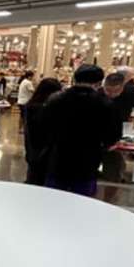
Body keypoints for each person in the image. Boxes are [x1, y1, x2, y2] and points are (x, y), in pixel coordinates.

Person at [41, 64, 121, 196]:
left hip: (58, 159)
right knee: (82, 204)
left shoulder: (56, 99)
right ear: (98, 83)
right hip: (86, 163)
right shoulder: (105, 104)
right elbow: (113, 135)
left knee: (52, 201)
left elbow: (43, 125)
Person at [99, 72, 134, 185]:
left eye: (117, 91)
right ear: (104, 86)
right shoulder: (98, 93)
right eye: (108, 91)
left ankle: (115, 182)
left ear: (123, 86)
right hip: (101, 132)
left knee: (114, 161)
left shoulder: (131, 92)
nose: (112, 94)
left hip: (119, 131)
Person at [23, 78, 62, 185]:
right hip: (43, 151)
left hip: (33, 150)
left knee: (33, 176)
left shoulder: (31, 106)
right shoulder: (42, 109)